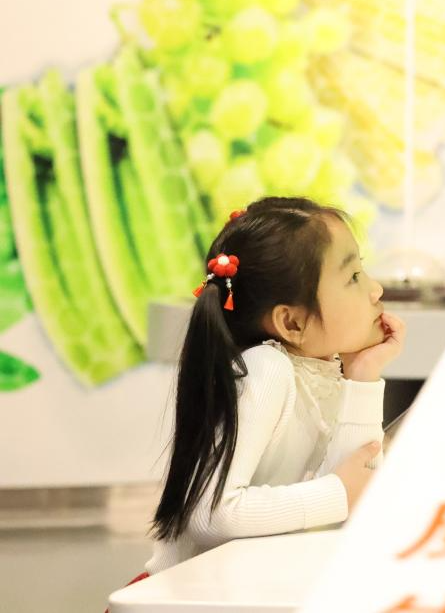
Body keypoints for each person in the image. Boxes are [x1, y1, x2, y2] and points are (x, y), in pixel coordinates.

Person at [144, 196, 405, 574]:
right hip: (190, 594)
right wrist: (337, 493)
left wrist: (363, 374)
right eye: (352, 277)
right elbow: (210, 515)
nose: (375, 289)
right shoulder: (268, 369)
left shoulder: (321, 371)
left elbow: (354, 493)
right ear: (292, 323)